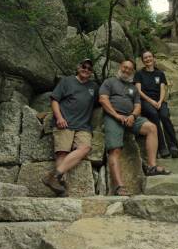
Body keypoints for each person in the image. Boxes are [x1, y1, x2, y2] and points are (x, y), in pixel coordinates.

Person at [99, 59, 171, 196]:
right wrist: (116, 115)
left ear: (132, 71)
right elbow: (103, 99)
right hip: (113, 118)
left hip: (131, 117)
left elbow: (138, 106)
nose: (126, 70)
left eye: (129, 69)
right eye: (124, 67)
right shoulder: (109, 82)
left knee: (152, 127)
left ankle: (151, 166)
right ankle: (119, 186)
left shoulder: (133, 88)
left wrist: (132, 116)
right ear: (120, 67)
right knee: (114, 150)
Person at [42, 58, 99, 196]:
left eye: (89, 68)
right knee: (62, 152)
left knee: (85, 148)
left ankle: (54, 176)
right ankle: (60, 188)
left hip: (83, 126)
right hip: (65, 122)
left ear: (91, 72)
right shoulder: (67, 81)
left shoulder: (94, 87)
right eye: (83, 66)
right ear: (78, 67)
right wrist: (59, 117)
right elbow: (55, 100)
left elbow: (101, 101)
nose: (86, 69)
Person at [134, 51, 178, 158]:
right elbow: (138, 91)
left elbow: (163, 89)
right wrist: (151, 101)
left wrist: (159, 101)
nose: (148, 59)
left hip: (159, 100)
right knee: (153, 114)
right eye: (145, 58)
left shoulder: (160, 74)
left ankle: (173, 146)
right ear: (142, 60)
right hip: (146, 101)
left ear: (153, 58)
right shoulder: (139, 74)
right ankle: (162, 147)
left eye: (150, 57)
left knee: (164, 115)